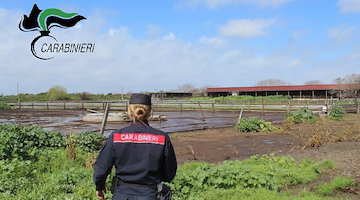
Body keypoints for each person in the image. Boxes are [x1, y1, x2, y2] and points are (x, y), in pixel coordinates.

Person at [93, 93, 177, 200]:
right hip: (150, 194)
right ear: (150, 112)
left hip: (122, 195)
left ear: (129, 111)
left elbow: (101, 168)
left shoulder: (116, 136)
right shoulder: (162, 138)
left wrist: (99, 187)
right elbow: (170, 173)